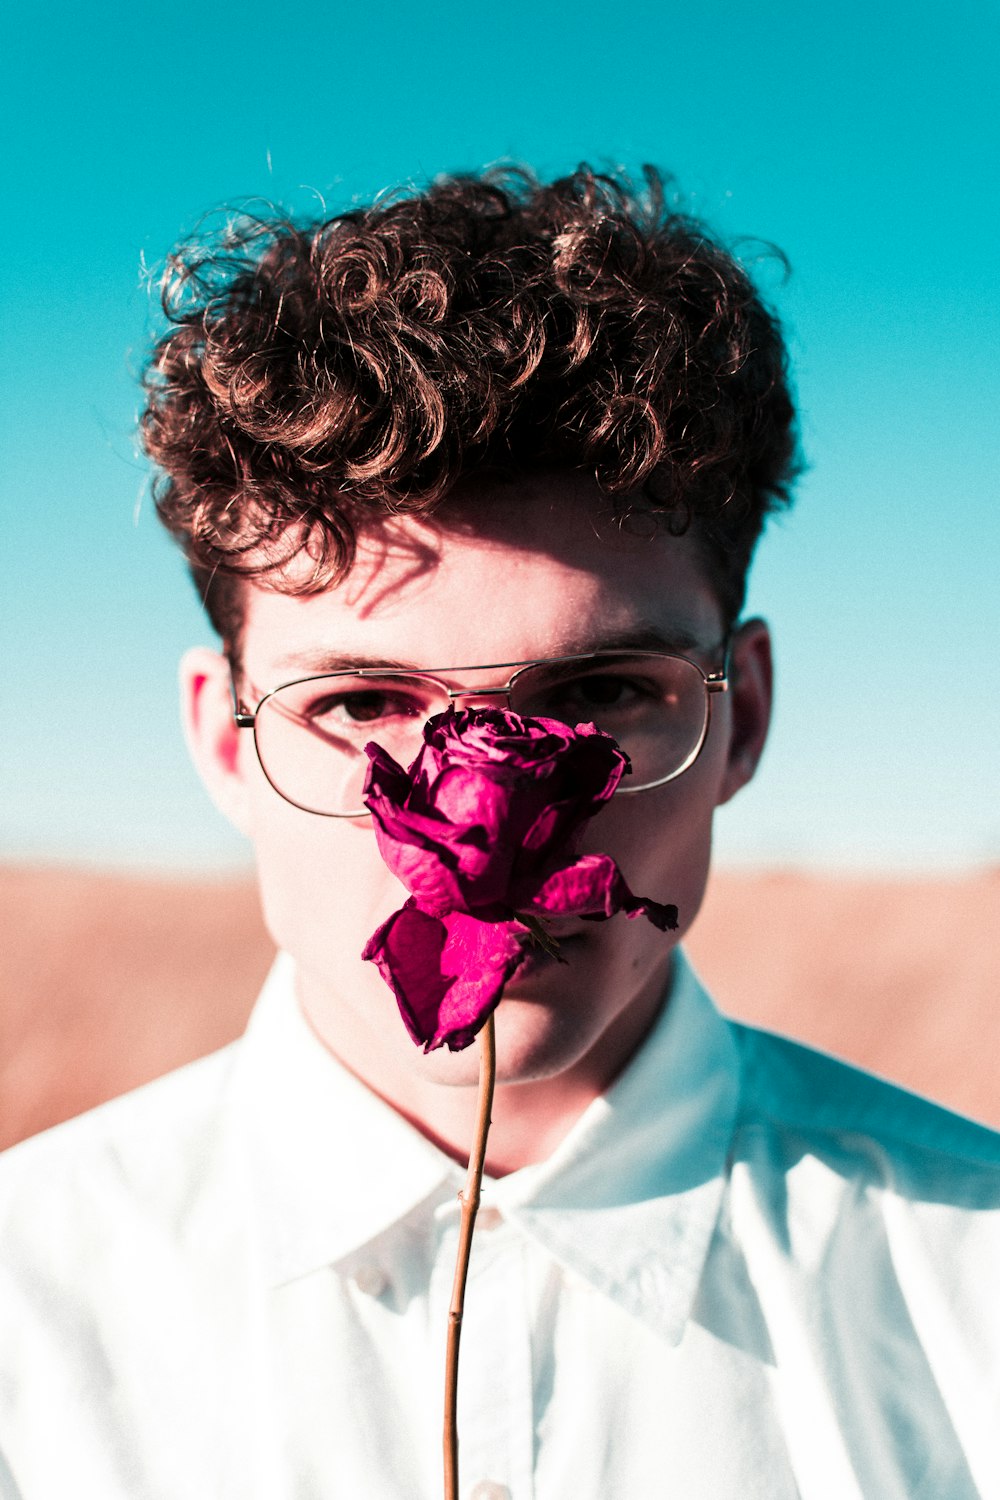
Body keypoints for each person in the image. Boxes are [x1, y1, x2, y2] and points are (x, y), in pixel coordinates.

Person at [1, 165, 998, 1500]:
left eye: (600, 696)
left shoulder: (966, 1278)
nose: (517, 831)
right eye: (363, 699)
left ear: (742, 717)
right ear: (227, 738)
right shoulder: (31, 1305)